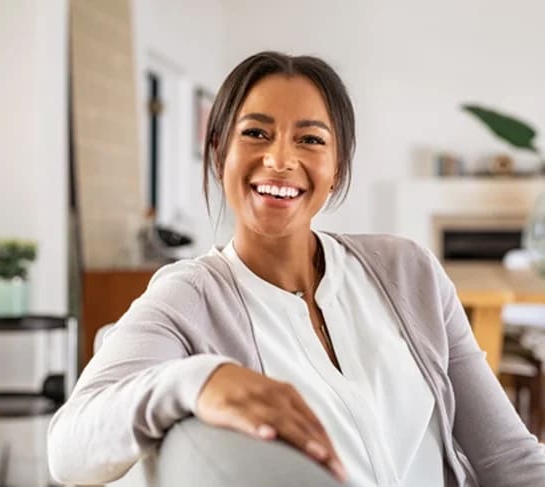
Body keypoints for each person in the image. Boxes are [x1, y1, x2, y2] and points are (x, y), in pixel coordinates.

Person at [48, 52, 545, 486]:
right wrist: (199, 380)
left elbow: (508, 457)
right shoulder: (189, 297)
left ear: (338, 167)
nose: (280, 159)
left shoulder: (409, 272)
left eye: (310, 140)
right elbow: (67, 448)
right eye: (256, 133)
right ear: (220, 150)